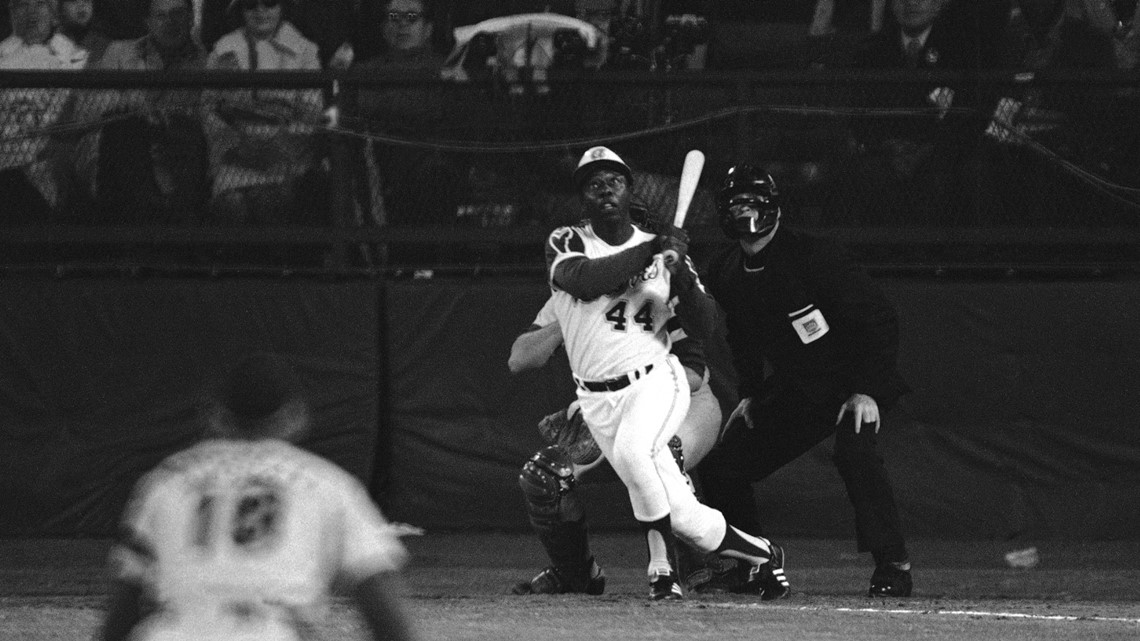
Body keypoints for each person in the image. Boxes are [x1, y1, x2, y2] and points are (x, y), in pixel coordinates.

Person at [536, 145, 791, 601]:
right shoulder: (568, 241)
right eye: (594, 182)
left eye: (614, 179)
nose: (605, 187)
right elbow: (585, 281)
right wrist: (653, 250)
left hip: (655, 381)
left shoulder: (665, 253)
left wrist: (682, 276)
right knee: (682, 515)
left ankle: (660, 572)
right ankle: (762, 552)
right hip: (597, 399)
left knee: (638, 455)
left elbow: (706, 326)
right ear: (583, 198)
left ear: (630, 188)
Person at [698, 164, 914, 598]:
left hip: (853, 377)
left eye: (751, 202)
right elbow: (740, 333)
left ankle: (894, 563)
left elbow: (878, 318)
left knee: (856, 452)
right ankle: (751, 563)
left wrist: (868, 389)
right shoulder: (724, 269)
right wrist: (752, 394)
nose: (743, 211)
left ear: (773, 208)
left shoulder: (816, 256)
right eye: (734, 203)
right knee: (723, 465)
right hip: (799, 385)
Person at [97, 353, 419, 641]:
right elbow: (385, 610)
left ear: (215, 415)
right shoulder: (327, 482)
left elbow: (123, 610)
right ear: (296, 416)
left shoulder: (165, 481)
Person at [507, 292, 746, 595]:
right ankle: (575, 574)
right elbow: (520, 359)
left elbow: (693, 375)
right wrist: (570, 320)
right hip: (609, 416)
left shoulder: (655, 285)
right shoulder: (569, 297)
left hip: (686, 406)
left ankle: (697, 563)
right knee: (544, 475)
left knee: (661, 454)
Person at [72, 0, 209, 224]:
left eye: (177, 14)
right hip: (115, 160)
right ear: (147, 22)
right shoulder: (119, 53)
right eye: (161, 16)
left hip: (172, 156)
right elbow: (85, 110)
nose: (170, 23)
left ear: (191, 18)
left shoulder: (206, 63)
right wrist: (127, 101)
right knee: (128, 129)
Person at [201, 0, 326, 225]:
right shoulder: (223, 49)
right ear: (240, 11)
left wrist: (281, 145)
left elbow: (312, 111)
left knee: (271, 201)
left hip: (286, 159)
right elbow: (208, 108)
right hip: (235, 159)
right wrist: (235, 144)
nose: (261, 11)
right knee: (232, 205)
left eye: (269, 3)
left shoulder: (305, 51)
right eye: (250, 5)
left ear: (282, 7)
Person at [0, 0, 88, 224]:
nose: (29, 13)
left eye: (39, 4)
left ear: (54, 12)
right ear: (10, 13)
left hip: (52, 170)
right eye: (20, 5)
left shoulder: (79, 59)